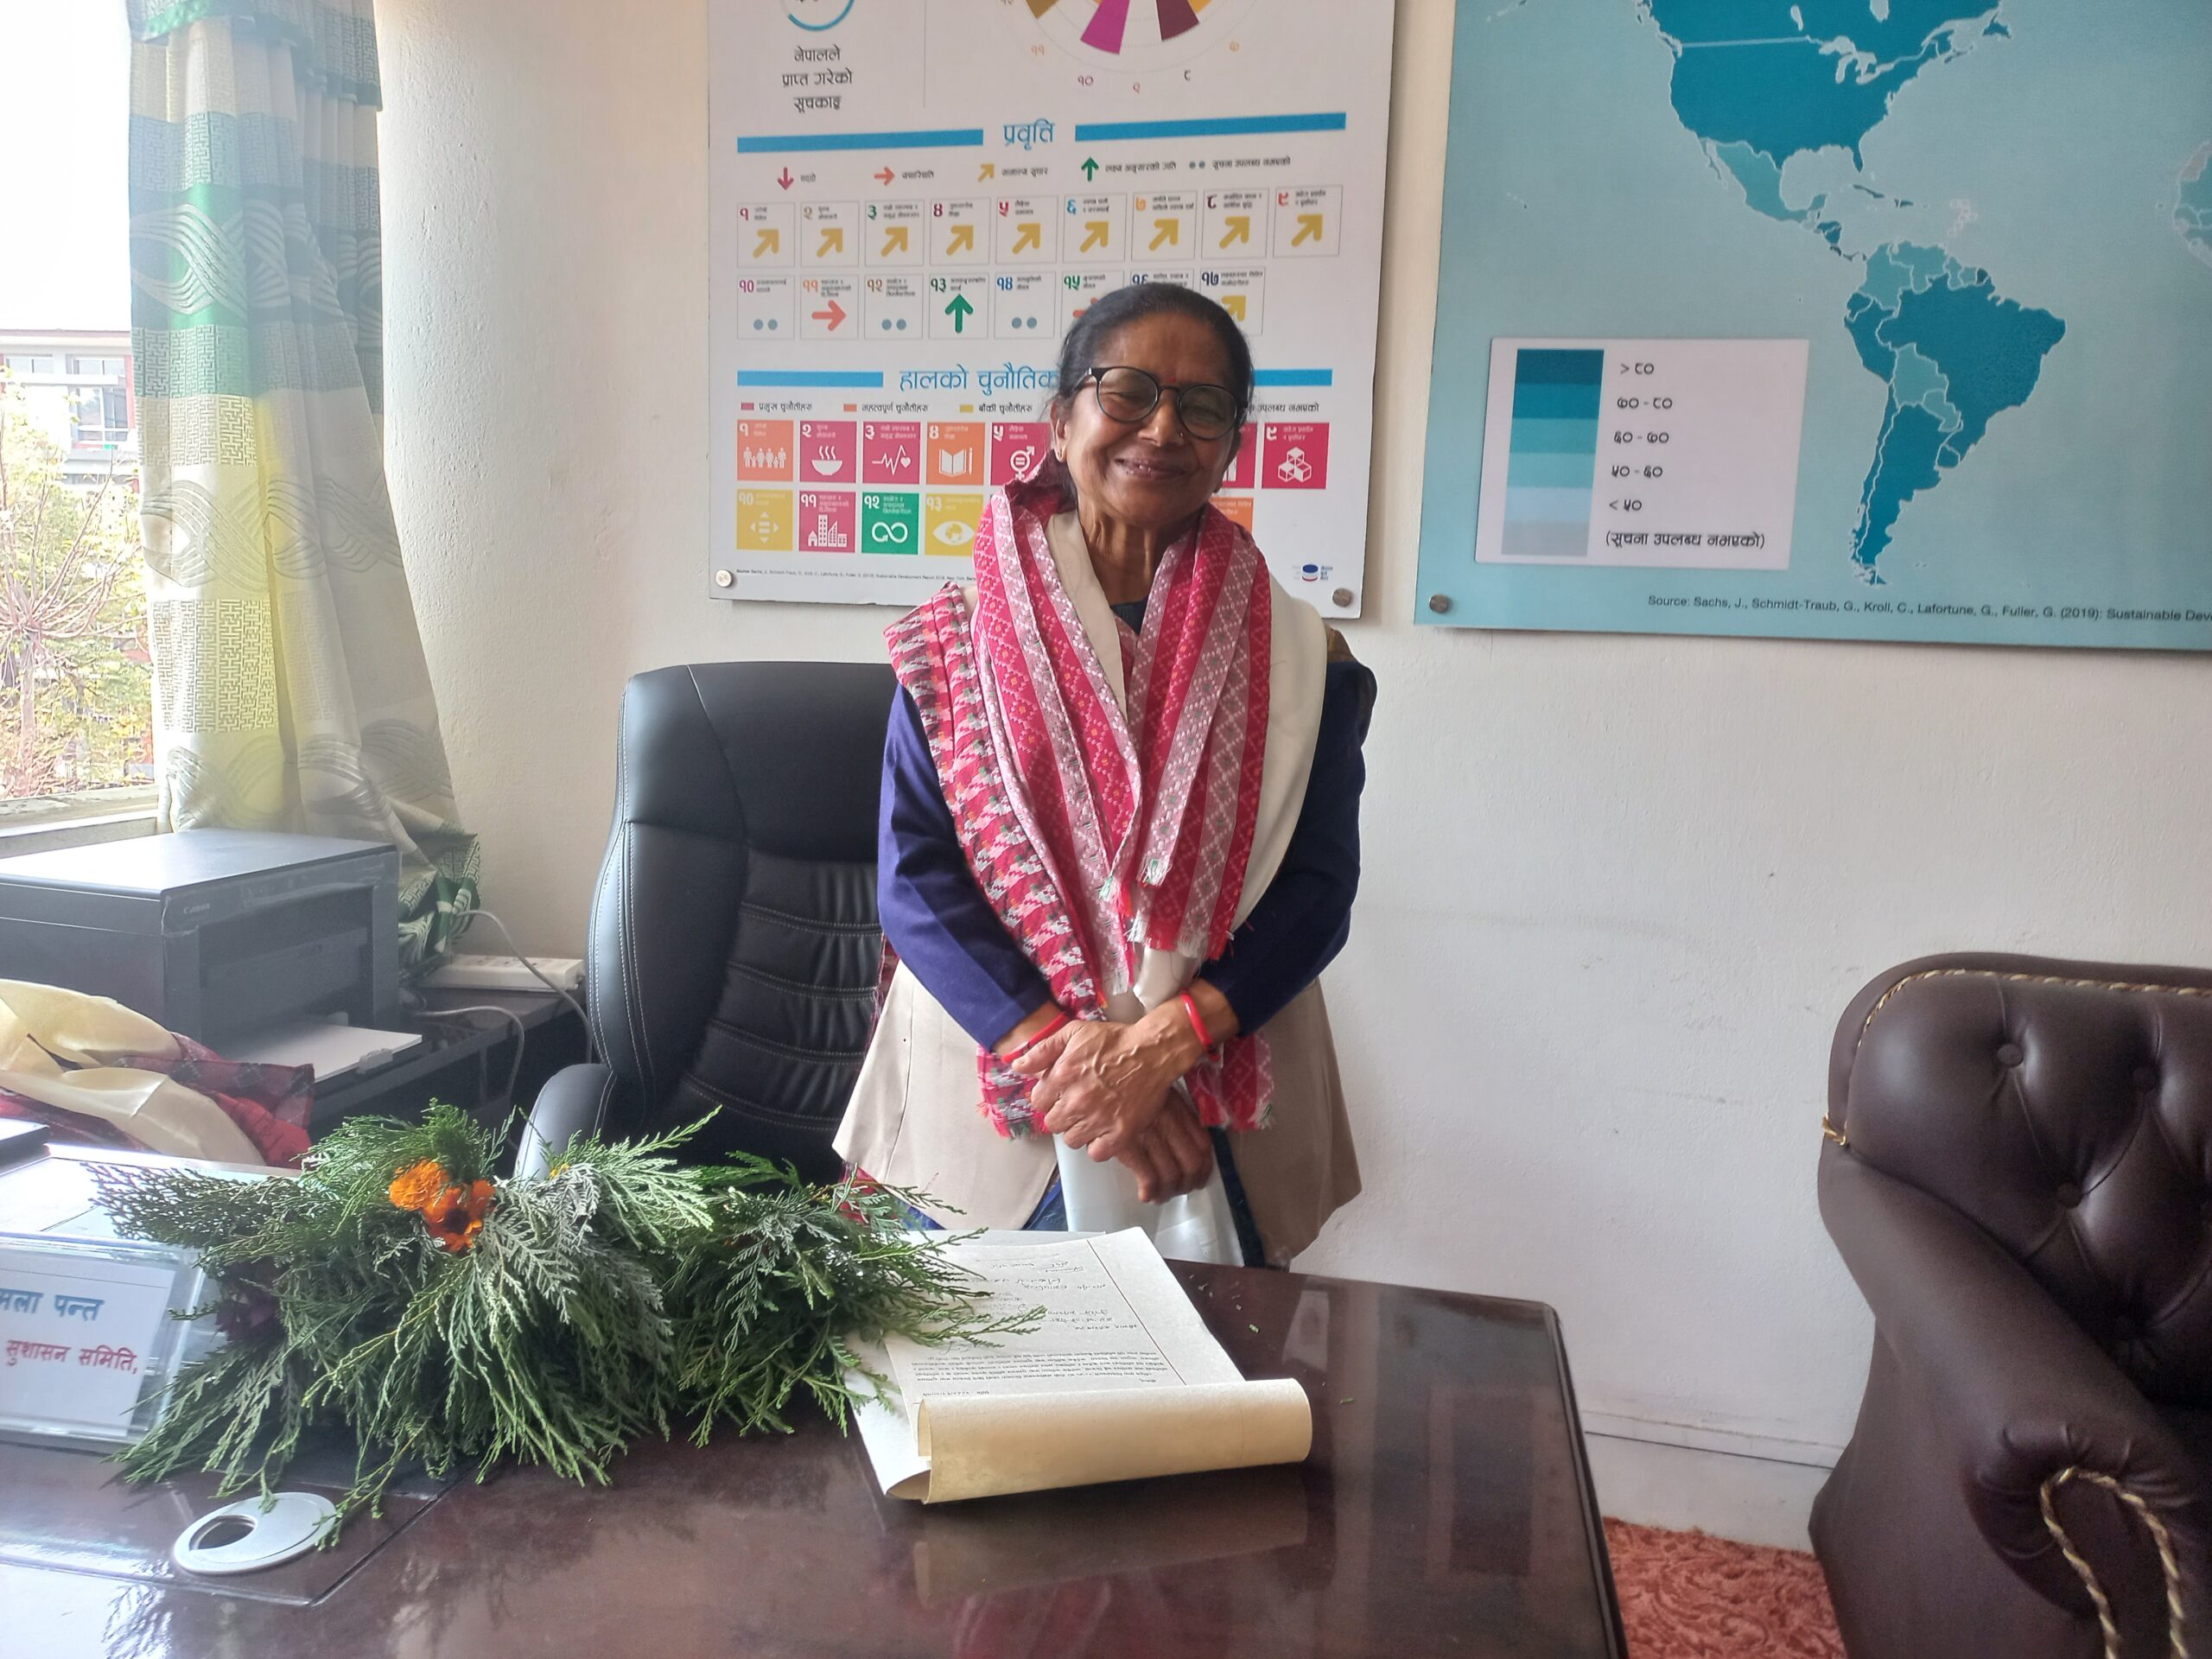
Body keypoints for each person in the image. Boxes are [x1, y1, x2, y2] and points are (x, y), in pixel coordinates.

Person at [836, 282, 1374, 1266]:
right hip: (998, 1102)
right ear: (1061, 420)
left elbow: (1318, 890)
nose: (1162, 428)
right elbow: (916, 879)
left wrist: (1160, 1049)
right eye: (1127, 392)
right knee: (975, 1355)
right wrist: (1086, 1070)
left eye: (1203, 407)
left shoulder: (1306, 658)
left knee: (1215, 1357)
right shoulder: (951, 644)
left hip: (1217, 1095)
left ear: (1230, 447)